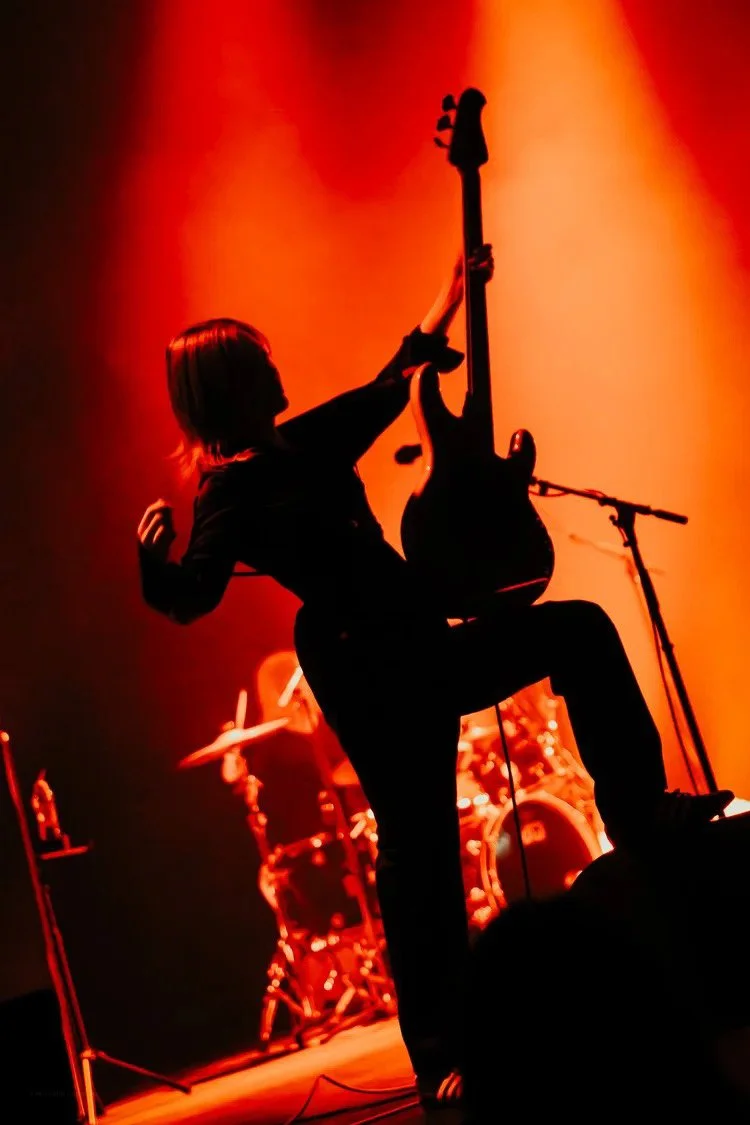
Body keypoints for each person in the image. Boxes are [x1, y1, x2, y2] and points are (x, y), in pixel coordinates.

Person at [137, 248, 732, 1110]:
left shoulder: (304, 442)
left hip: (418, 637)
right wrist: (152, 563)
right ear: (230, 383)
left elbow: (390, 386)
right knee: (418, 848)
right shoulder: (229, 492)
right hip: (364, 662)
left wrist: (451, 297)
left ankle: (639, 810)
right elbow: (192, 592)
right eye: (258, 359)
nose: (276, 364)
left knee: (580, 630)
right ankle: (441, 1053)